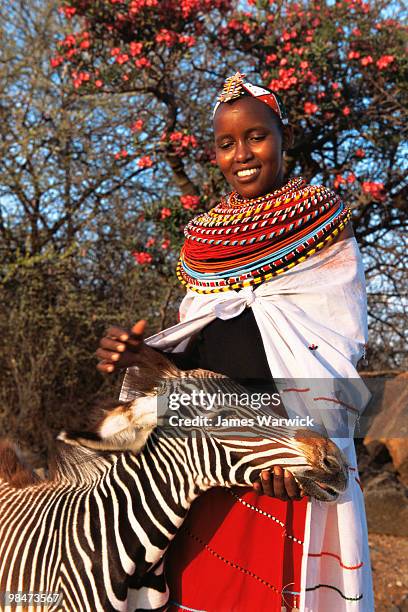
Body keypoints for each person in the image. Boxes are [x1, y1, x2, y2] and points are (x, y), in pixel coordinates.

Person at [96, 72, 373, 611]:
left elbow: (335, 349)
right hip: (204, 468)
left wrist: (293, 450)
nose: (241, 153)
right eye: (226, 143)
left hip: (285, 461)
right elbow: (196, 363)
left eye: (256, 136)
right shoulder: (203, 242)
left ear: (282, 136)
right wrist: (143, 358)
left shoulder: (323, 225)